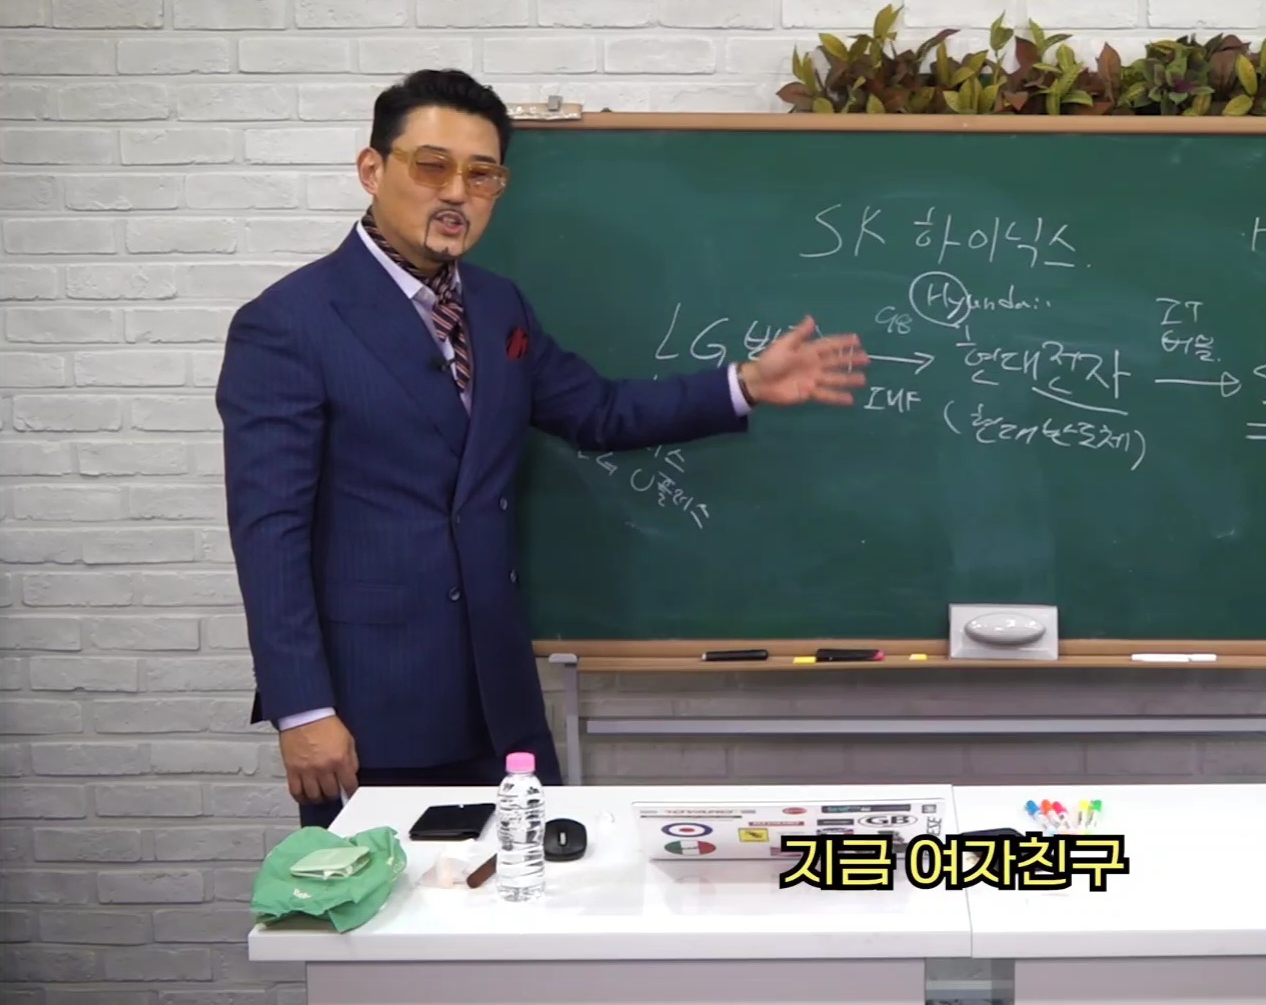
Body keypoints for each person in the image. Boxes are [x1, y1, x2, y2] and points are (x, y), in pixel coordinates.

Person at [216, 69, 868, 829]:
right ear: (372, 169)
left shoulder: (498, 307)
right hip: (369, 710)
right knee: (392, 904)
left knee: (532, 890)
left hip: (500, 705)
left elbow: (597, 411)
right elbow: (269, 533)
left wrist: (745, 383)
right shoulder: (289, 323)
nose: (456, 194)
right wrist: (302, 708)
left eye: (482, 175)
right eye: (432, 166)